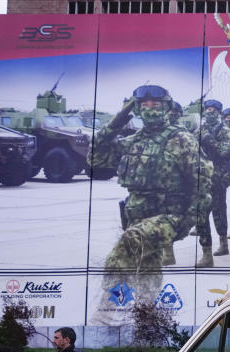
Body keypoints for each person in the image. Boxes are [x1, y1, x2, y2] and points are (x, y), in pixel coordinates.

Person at [88, 85, 210, 319]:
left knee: (127, 244)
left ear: (166, 108)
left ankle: (106, 311)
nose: (150, 109)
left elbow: (201, 184)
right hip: (137, 216)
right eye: (144, 105)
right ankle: (148, 318)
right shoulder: (133, 141)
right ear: (137, 109)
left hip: (170, 216)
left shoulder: (182, 139)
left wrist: (189, 220)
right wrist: (118, 120)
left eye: (156, 105)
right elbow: (95, 156)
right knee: (147, 268)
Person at [194, 99, 230, 266]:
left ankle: (223, 244)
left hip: (217, 177)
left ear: (219, 113)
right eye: (208, 109)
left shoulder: (225, 131)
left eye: (213, 110)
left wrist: (209, 140)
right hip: (201, 177)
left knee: (219, 212)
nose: (210, 112)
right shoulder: (200, 129)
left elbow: (226, 152)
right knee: (201, 214)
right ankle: (206, 254)